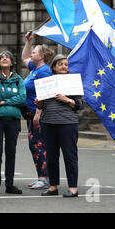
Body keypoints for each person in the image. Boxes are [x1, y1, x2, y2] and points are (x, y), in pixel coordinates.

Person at [36, 54, 84, 198]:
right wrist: (39, 103)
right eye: (60, 64)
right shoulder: (46, 82)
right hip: (48, 123)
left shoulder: (73, 81)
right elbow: (43, 104)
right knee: (51, 156)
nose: (64, 66)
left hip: (68, 123)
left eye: (66, 64)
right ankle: (53, 187)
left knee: (70, 156)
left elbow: (81, 104)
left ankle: (73, 188)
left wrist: (67, 99)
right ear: (54, 67)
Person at [0, 51, 26, 195]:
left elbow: (22, 98)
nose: (4, 59)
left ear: (12, 62)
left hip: (13, 120)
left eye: (7, 57)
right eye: (2, 57)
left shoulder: (18, 79)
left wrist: (5, 102)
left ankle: (9, 184)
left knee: (11, 152)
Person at [21, 31, 54, 190]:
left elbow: (45, 93)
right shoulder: (35, 68)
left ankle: (44, 178)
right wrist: (29, 41)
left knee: (38, 144)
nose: (31, 53)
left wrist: (38, 113)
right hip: (30, 113)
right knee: (34, 144)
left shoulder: (44, 71)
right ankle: (41, 176)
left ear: (41, 56)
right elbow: (24, 57)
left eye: (34, 51)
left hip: (37, 113)